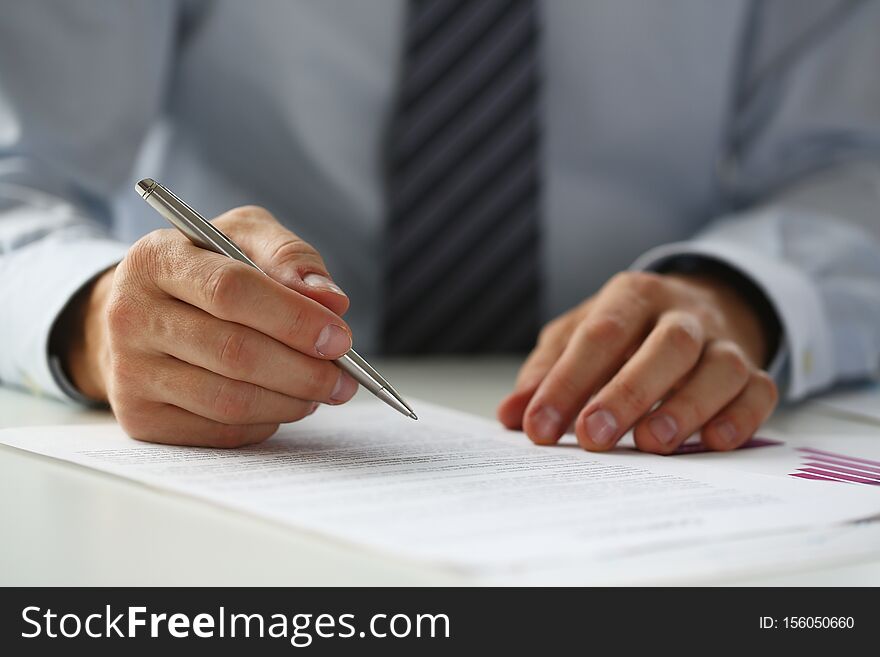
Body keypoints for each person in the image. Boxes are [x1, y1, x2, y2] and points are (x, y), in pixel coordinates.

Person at [1, 1, 878, 454]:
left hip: (636, 423)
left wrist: (737, 290)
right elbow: (16, 173)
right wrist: (97, 313)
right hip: (245, 435)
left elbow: (853, 159)